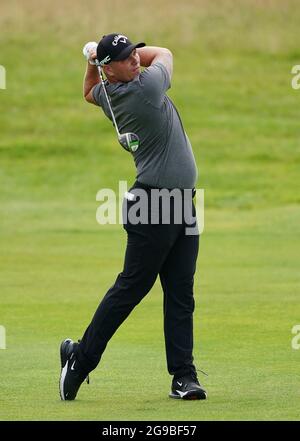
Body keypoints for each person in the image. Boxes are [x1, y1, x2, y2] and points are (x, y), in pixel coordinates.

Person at [59, 33, 207, 401]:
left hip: (181, 203)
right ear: (111, 69)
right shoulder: (146, 89)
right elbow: (167, 50)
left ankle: (183, 377)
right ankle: (80, 357)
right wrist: (101, 57)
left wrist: (91, 60)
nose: (135, 60)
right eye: (125, 58)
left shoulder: (111, 94)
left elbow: (88, 91)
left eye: (133, 53)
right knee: (131, 288)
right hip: (154, 204)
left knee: (180, 292)